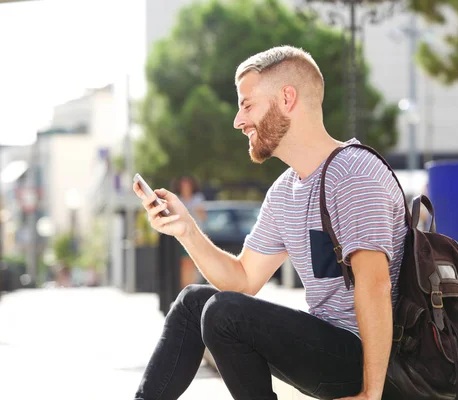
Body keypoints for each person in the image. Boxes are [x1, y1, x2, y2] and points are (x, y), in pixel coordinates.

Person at [132, 45, 407, 400]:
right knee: (195, 303)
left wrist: (371, 395)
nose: (238, 120)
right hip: (326, 347)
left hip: (375, 361)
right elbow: (243, 280)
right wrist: (186, 229)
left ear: (287, 98)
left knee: (224, 312)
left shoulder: (354, 174)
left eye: (247, 105)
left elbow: (376, 286)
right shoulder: (285, 191)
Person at [171, 176, 207, 287]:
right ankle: (186, 287)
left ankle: (190, 287)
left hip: (195, 234)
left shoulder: (198, 199)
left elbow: (203, 217)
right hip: (182, 235)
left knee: (192, 262)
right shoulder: (178, 200)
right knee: (184, 263)